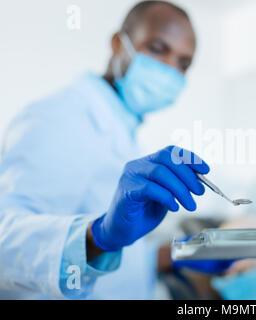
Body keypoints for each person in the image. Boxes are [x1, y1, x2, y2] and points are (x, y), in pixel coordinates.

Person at [0, 1, 203, 299]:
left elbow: (121, 260)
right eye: (158, 49)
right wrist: (98, 236)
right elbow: (6, 241)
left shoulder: (123, 129)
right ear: (118, 43)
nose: (170, 69)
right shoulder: (59, 117)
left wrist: (179, 254)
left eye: (183, 63)